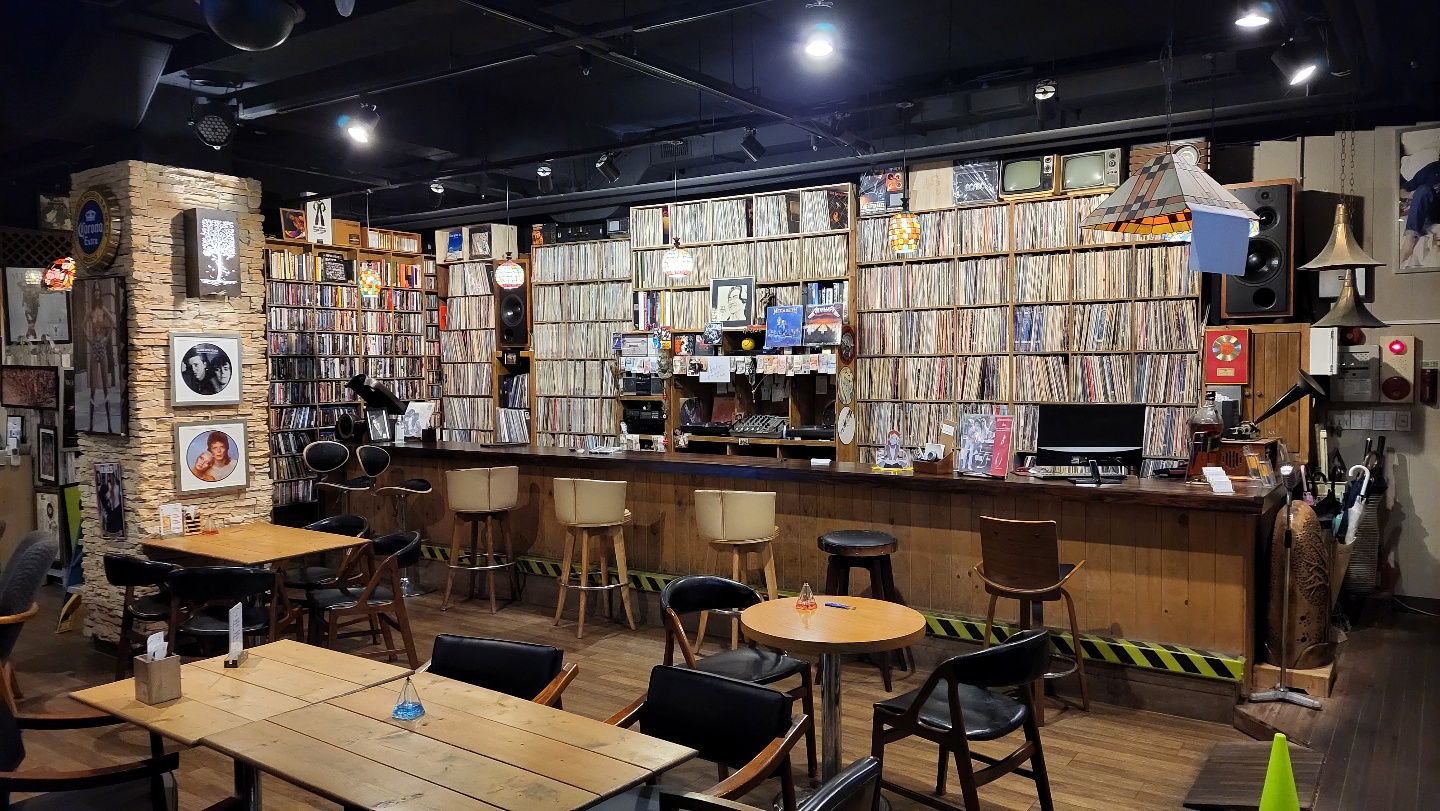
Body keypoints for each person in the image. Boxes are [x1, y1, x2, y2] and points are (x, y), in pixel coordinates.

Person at [1400, 156, 1440, 267]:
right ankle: (1409, 243)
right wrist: (1411, 195)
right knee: (1422, 189)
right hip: (1433, 210)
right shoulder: (1432, 168)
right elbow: (1402, 190)